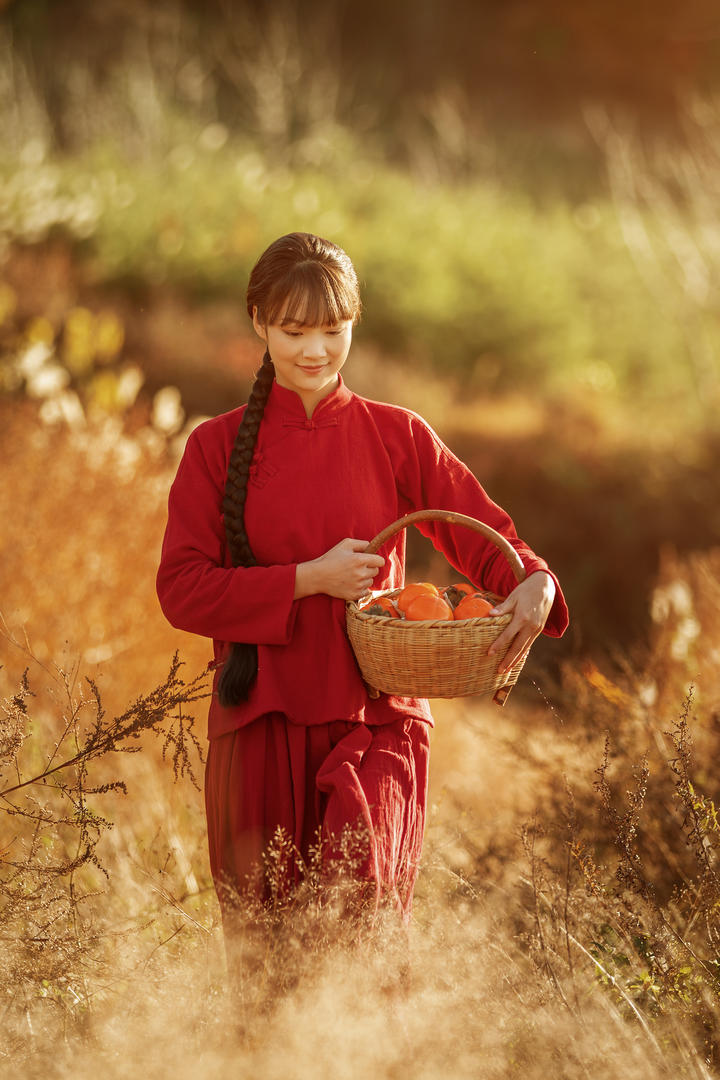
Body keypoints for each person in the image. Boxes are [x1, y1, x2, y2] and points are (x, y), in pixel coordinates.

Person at [156, 231, 568, 935]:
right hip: (260, 724)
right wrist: (308, 580)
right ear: (257, 321)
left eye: (333, 330)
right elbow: (182, 588)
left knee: (367, 950)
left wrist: (535, 581)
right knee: (268, 957)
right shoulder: (214, 448)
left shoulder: (397, 434)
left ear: (355, 322)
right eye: (293, 331)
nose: (314, 351)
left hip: (376, 724)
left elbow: (487, 536)